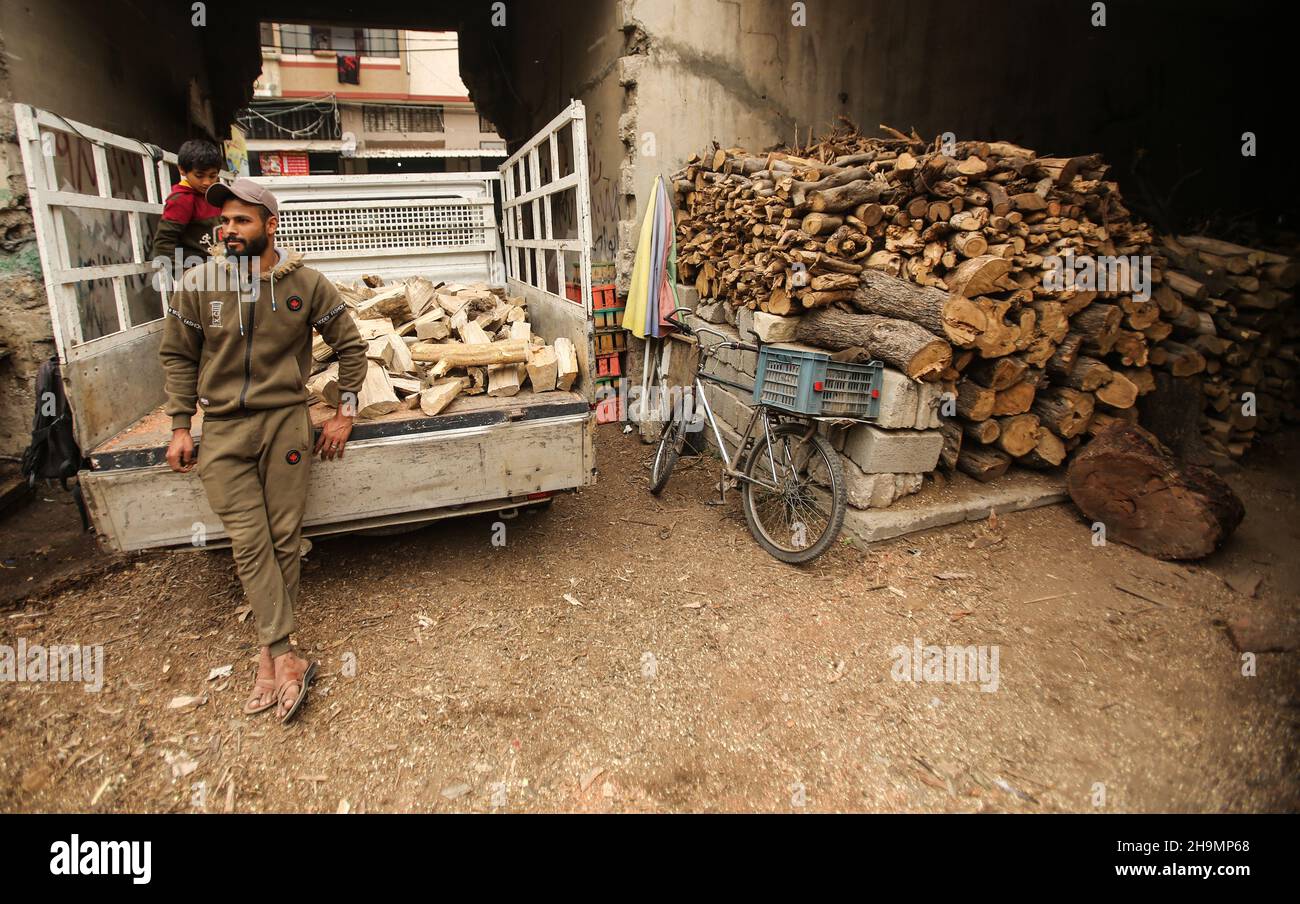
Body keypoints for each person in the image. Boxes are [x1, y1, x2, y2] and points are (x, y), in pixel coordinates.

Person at [159, 178, 368, 724]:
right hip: (224, 429)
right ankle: (282, 653)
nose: (228, 230)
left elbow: (350, 344)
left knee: (282, 537)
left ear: (271, 226)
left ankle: (269, 657)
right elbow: (179, 357)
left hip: (285, 425)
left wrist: (345, 412)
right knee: (250, 540)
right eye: (222, 222)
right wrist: (181, 424)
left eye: (241, 221)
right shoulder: (198, 284)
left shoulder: (305, 284)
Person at [149, 139, 224, 276]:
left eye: (212, 176)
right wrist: (182, 276)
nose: (207, 182)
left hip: (220, 270)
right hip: (197, 277)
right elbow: (164, 242)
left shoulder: (216, 195)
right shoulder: (182, 200)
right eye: (199, 176)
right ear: (182, 170)